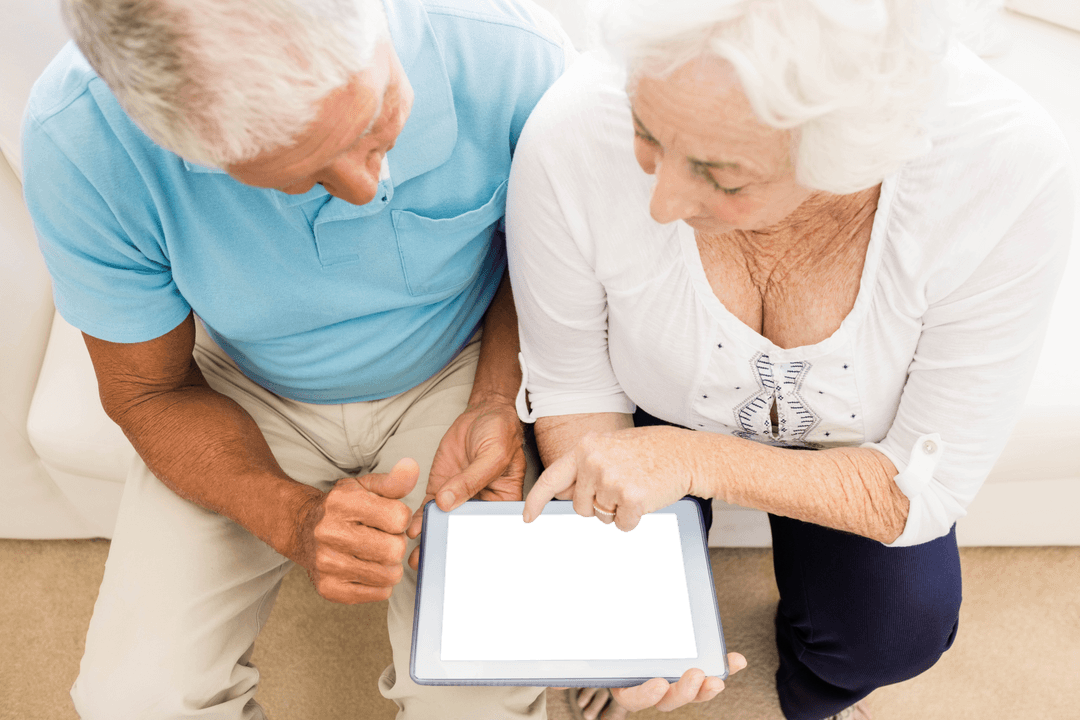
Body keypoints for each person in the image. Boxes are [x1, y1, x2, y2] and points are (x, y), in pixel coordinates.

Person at [505, 0, 1075, 719]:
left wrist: (694, 462)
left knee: (896, 630)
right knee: (610, 613)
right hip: (644, 400)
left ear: (841, 157)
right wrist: (626, 615)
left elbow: (919, 490)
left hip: (860, 445)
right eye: (647, 137)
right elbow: (574, 386)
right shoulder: (572, 128)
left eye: (725, 176)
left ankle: (814, 695)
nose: (662, 203)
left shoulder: (1009, 171)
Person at [21, 0, 572, 718]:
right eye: (300, 177)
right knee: (136, 702)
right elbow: (149, 393)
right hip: (237, 385)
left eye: (376, 123)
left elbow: (556, 265)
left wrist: (499, 397)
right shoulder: (80, 137)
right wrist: (292, 519)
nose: (366, 190)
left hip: (468, 361)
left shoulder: (513, 51)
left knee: (482, 697)